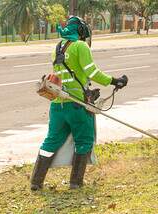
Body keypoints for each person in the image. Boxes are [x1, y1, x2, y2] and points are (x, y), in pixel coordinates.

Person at [30, 16, 128, 191]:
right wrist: (115, 81)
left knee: (51, 142)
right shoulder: (80, 46)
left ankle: (36, 182)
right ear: (82, 31)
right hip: (76, 104)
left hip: (57, 105)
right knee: (84, 140)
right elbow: (92, 72)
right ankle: (76, 182)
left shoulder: (58, 47)